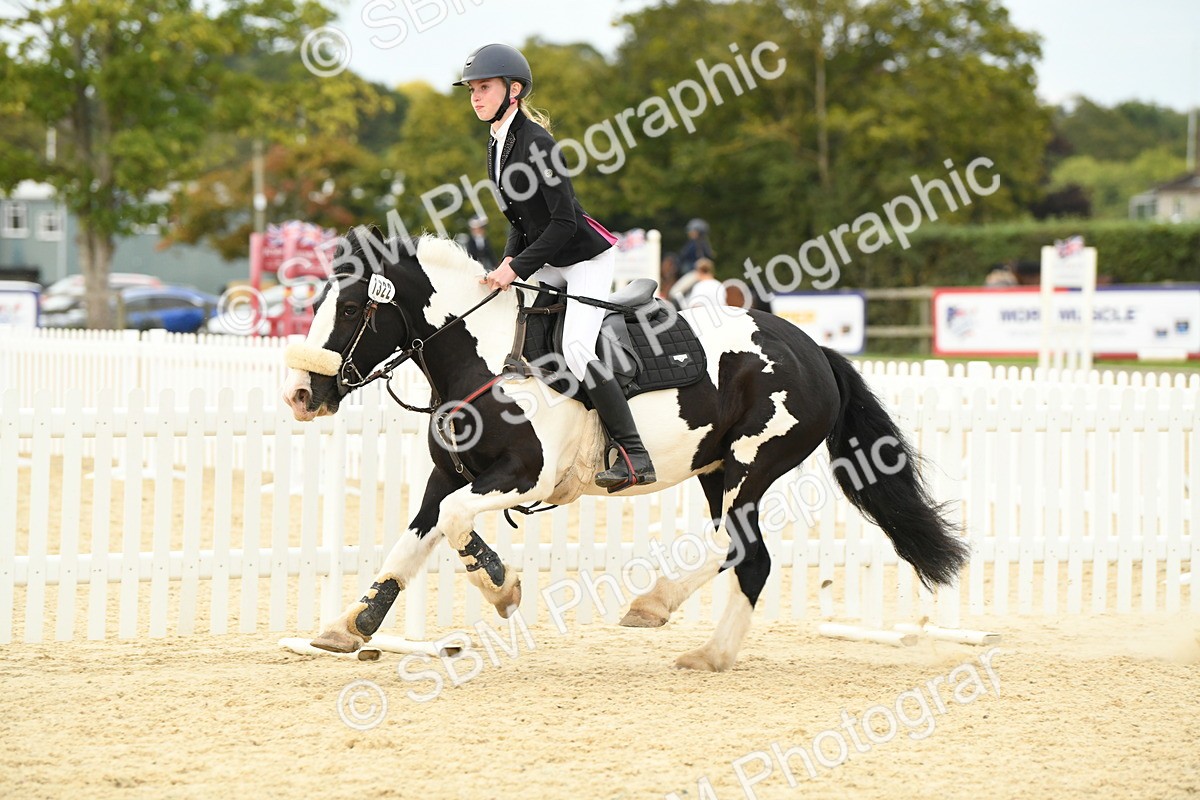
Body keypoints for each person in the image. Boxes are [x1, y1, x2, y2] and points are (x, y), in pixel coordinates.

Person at [456, 43, 655, 489]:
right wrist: (509, 261)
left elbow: (564, 222)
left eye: (484, 88)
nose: (476, 97)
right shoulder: (496, 144)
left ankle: (634, 453)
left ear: (514, 90)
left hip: (583, 257)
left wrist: (517, 267)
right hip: (547, 256)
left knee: (578, 349)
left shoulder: (537, 143)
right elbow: (520, 220)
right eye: (472, 89)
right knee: (515, 327)